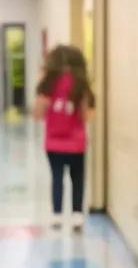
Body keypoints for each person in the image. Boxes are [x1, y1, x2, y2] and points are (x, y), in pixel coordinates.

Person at [33, 45, 95, 231]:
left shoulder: (48, 85)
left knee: (57, 177)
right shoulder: (80, 85)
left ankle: (57, 215)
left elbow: (37, 114)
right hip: (76, 143)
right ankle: (77, 216)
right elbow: (86, 116)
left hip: (53, 143)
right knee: (78, 178)